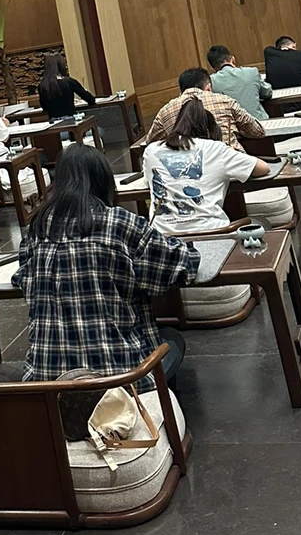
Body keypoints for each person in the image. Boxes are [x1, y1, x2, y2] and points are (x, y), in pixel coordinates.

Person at [16, 143, 196, 384]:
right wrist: (185, 246)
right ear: (103, 181)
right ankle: (156, 401)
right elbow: (180, 266)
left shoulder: (37, 228)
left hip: (47, 383)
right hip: (120, 379)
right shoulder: (120, 222)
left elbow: (22, 279)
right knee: (172, 339)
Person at [143, 98, 272, 235]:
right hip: (213, 233)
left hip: (163, 238)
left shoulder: (151, 150)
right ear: (208, 131)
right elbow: (263, 168)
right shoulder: (215, 148)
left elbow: (148, 182)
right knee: (261, 223)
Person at [147, 67, 264, 151]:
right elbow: (258, 131)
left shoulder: (165, 111)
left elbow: (150, 143)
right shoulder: (225, 100)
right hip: (231, 164)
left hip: (188, 170)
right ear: (208, 87)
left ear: (180, 92)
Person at [207, 45, 272, 121]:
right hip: (259, 122)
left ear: (212, 68)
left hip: (232, 126)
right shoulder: (252, 72)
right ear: (233, 59)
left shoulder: (210, 82)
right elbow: (267, 93)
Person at [38, 52, 96, 119]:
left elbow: (45, 107)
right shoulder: (69, 82)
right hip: (70, 120)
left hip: (53, 122)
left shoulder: (42, 85)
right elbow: (91, 99)